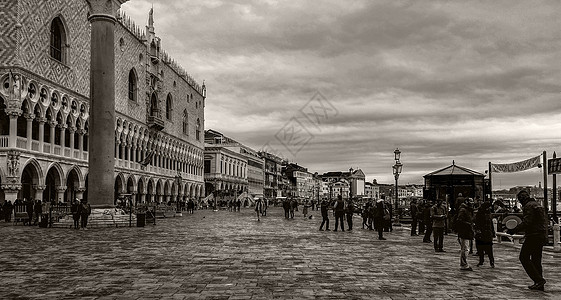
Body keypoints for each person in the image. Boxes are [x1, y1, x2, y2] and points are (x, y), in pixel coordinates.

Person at [508, 190, 548, 291]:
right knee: (536, 260)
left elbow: (527, 222)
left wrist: (514, 230)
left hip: (533, 235)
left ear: (522, 199)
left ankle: (538, 280)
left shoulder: (528, 206)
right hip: (541, 234)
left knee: (523, 257)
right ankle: (539, 283)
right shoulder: (537, 205)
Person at [474, 201, 495, 268]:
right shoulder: (480, 213)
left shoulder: (485, 212)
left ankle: (491, 261)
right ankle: (482, 260)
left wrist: (493, 232)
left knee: (488, 248)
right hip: (482, 233)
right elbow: (477, 223)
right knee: (481, 248)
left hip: (487, 233)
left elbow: (490, 223)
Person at [456, 198, 475, 271]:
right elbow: (460, 221)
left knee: (466, 248)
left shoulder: (468, 210)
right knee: (465, 248)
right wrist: (469, 224)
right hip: (464, 231)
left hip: (467, 231)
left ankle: (464, 263)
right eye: (471, 201)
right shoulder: (463, 210)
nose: (472, 203)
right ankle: (463, 264)